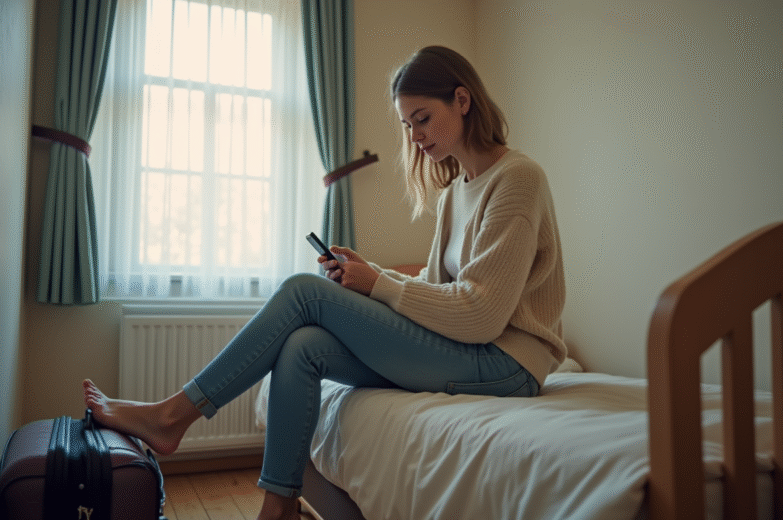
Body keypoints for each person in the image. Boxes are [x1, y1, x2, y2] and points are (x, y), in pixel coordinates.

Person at [83, 45, 567, 520]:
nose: (415, 136)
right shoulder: (454, 193)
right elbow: (442, 289)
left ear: (462, 101)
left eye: (422, 118)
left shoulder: (518, 178)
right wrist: (373, 275)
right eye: (407, 125)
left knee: (303, 290)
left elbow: (481, 315)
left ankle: (170, 417)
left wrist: (378, 282)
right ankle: (279, 504)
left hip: (507, 364)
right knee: (304, 345)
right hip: (465, 347)